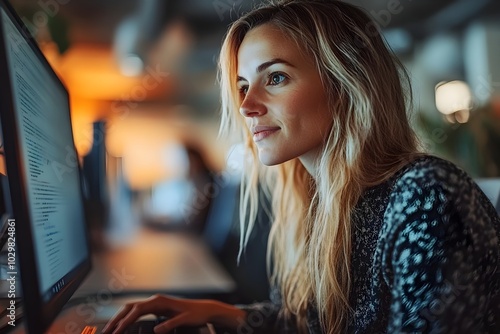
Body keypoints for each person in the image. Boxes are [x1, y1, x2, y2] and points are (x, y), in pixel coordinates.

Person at [102, 0, 500, 333]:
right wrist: (233, 315)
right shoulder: (320, 200)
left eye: (275, 77)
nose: (246, 106)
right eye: (243, 86)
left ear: (347, 83)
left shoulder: (424, 197)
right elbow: (316, 323)